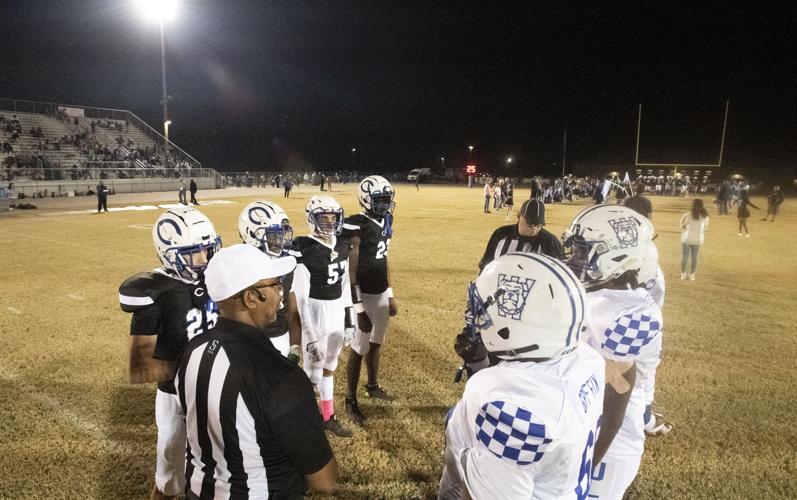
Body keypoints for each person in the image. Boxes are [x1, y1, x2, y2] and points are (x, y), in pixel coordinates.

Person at [176, 244, 337, 498]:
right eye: (274, 284)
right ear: (250, 298)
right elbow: (324, 479)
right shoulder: (279, 375)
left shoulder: (192, 350)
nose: (281, 292)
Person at [440, 253, 604, 499]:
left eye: (484, 309)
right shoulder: (586, 358)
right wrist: (480, 363)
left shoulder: (510, 411)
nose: (477, 315)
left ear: (513, 323)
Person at [118, 206, 222, 499]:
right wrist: (193, 371)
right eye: (193, 253)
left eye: (207, 250)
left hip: (215, 387)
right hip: (175, 395)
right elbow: (140, 367)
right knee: (170, 476)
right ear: (169, 253)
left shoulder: (214, 278)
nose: (204, 259)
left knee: (218, 468)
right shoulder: (156, 293)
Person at [561, 204, 662, 499]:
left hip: (607, 443)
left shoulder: (631, 313)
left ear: (616, 255)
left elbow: (614, 404)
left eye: (583, 251)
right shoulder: (601, 294)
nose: (574, 258)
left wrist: (582, 470)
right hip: (579, 425)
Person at [291, 195, 354, 437]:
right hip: (315, 312)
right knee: (312, 371)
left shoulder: (342, 244)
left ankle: (327, 416)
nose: (329, 222)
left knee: (330, 366)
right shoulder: (303, 248)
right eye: (323, 218)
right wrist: (310, 336)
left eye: (333, 217)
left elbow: (346, 286)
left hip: (337, 311)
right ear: (311, 219)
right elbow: (301, 298)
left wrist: (349, 320)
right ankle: (303, 418)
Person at [343, 176, 398, 426]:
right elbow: (351, 271)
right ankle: (350, 399)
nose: (385, 204)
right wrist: (359, 309)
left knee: (376, 343)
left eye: (387, 199)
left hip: (380, 292)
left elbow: (384, 259)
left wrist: (390, 293)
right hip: (363, 294)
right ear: (366, 199)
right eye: (380, 199)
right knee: (358, 349)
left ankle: (372, 385)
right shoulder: (358, 225)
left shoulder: (386, 220)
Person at [239, 201, 302, 361]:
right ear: (252, 235)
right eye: (273, 235)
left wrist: (295, 347)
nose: (279, 241)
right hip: (250, 344)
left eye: (281, 234)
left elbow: (292, 311)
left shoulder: (286, 265)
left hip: (282, 338)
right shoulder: (239, 269)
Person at [478, 199, 564, 271]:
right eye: (530, 224)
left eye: (538, 226)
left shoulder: (551, 242)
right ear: (519, 216)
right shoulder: (501, 234)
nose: (534, 229)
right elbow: (485, 266)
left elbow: (560, 273)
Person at [679, 199, 709, 280]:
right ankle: (692, 275)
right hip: (698, 239)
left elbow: (682, 226)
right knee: (695, 257)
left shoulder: (687, 215)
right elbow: (705, 228)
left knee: (685, 257)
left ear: (693, 205)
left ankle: (683, 274)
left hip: (687, 238)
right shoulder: (705, 217)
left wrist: (687, 228)